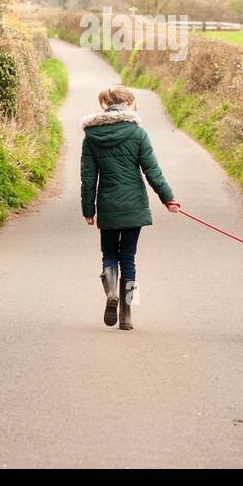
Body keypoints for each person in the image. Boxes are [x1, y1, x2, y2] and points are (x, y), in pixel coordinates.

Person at [80, 85, 180, 330]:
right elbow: (152, 170)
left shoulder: (91, 136)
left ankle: (111, 291)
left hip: (108, 204)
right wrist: (168, 198)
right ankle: (126, 316)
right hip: (134, 204)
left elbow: (88, 177)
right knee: (129, 258)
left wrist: (88, 209)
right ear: (126, 105)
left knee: (109, 254)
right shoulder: (138, 133)